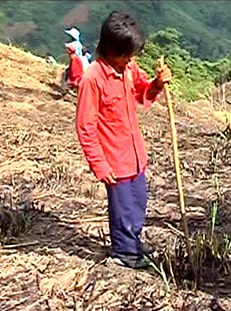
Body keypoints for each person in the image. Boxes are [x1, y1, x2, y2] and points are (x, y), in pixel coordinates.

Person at [75, 11, 172, 269]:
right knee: (123, 210)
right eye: (126, 55)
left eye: (132, 55)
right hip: (114, 161)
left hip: (135, 156)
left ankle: (133, 241)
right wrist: (100, 165)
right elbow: (85, 127)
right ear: (110, 49)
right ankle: (124, 253)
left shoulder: (129, 68)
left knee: (139, 202)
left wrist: (158, 84)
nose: (131, 60)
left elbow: (143, 92)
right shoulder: (92, 79)